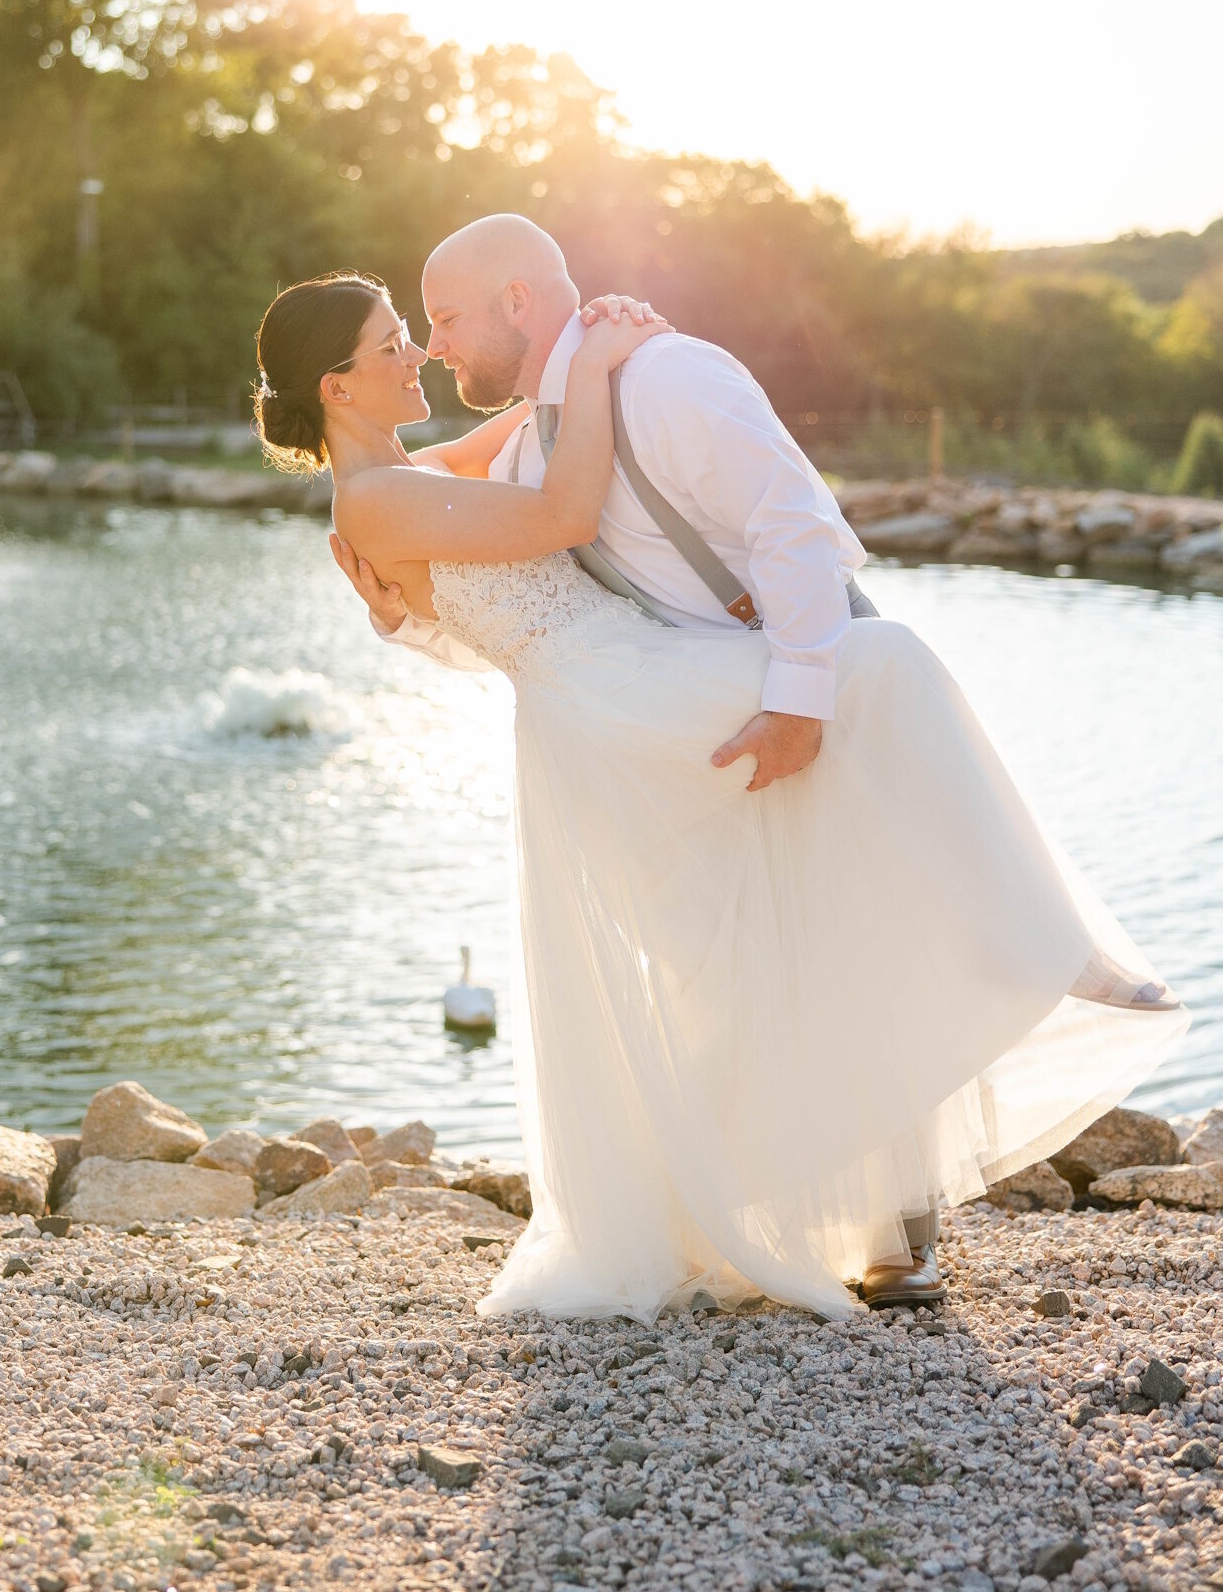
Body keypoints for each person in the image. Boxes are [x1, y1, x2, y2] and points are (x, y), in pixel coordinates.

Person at [255, 224, 1184, 1324]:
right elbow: (561, 513)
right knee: (877, 666)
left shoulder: (400, 476)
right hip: (612, 701)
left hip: (631, 683)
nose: (418, 354)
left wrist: (581, 357)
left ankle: (855, 1197)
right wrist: (595, 364)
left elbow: (522, 430)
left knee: (764, 931)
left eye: (429, 329)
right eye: (397, 342)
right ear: (339, 382)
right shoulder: (373, 504)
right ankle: (1043, 943)